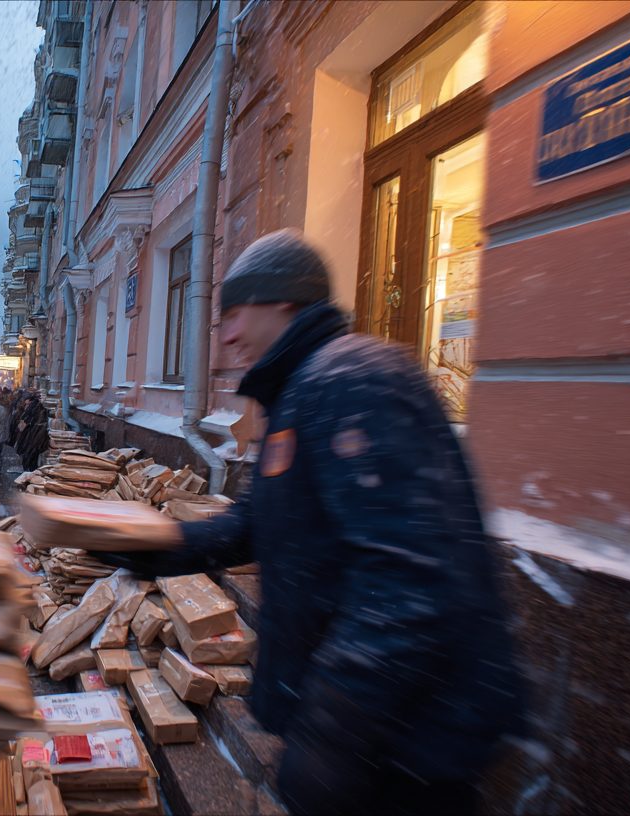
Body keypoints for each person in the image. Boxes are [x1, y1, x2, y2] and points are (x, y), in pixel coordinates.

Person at [86, 230, 525, 816]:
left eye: (236, 315)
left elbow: (406, 583)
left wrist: (334, 732)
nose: (228, 336)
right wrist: (145, 544)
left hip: (408, 740)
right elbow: (253, 525)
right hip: (375, 733)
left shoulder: (354, 380)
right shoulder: (300, 395)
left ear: (285, 302)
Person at [14, 391, 49, 472]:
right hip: (36, 434)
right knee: (33, 455)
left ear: (28, 399)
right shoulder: (39, 407)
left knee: (29, 455)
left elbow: (25, 421)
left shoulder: (32, 407)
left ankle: (28, 472)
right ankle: (31, 471)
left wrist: (21, 426)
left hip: (32, 434)